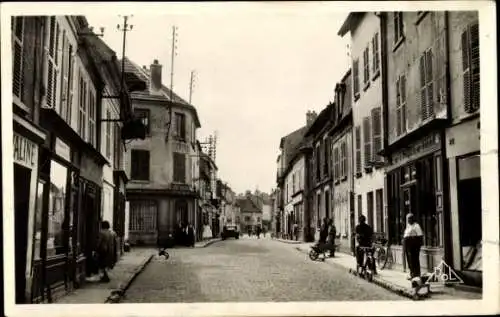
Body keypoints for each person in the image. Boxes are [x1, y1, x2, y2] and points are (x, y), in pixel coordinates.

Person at [403, 213, 424, 280]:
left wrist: (416, 245)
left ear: (413, 219)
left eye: (410, 218)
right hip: (407, 245)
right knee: (409, 261)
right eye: (407, 219)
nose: (408, 220)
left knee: (414, 260)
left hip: (414, 246)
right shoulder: (408, 226)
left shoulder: (416, 226)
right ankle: (412, 274)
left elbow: (420, 237)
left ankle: (416, 274)